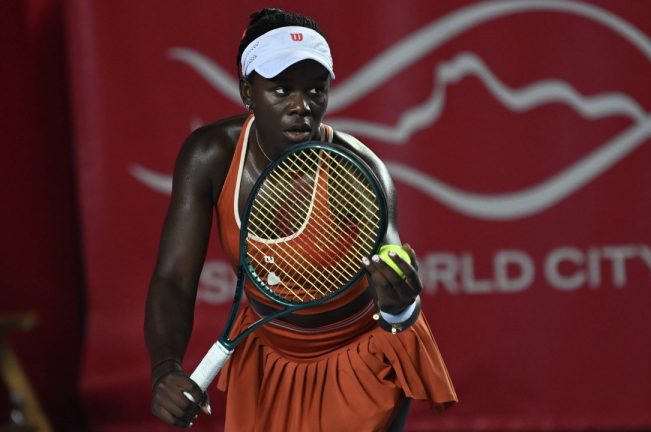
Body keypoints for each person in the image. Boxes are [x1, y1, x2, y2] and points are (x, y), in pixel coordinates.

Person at [144, 8, 457, 431]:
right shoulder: (210, 156)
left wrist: (400, 304)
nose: (301, 107)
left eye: (315, 90)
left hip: (359, 360)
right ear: (247, 91)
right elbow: (174, 280)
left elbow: (395, 286)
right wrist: (166, 368)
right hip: (268, 357)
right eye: (281, 90)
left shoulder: (358, 170)